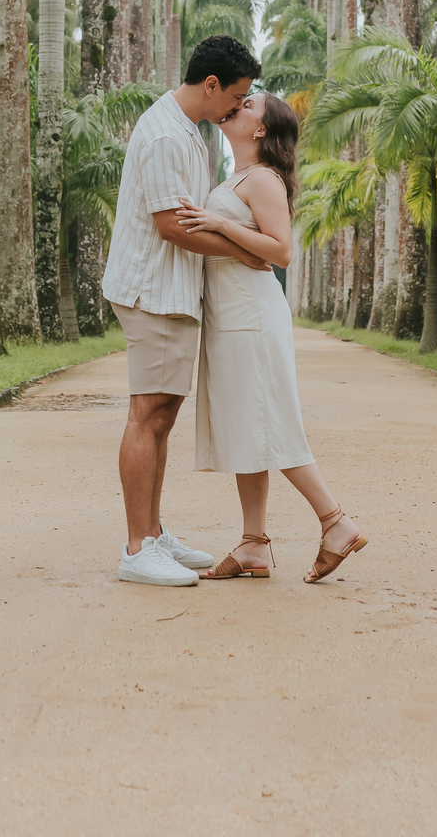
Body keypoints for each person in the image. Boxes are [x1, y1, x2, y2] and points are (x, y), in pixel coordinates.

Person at [177, 90, 368, 585]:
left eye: (250, 105)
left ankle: (335, 522)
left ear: (260, 129)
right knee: (248, 425)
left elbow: (281, 251)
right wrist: (234, 241)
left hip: (251, 317)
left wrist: (218, 223)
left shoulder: (262, 178)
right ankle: (254, 543)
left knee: (271, 422)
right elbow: (252, 248)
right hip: (233, 314)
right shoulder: (237, 176)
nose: (238, 105)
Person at [102, 33, 265, 587]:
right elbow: (172, 226)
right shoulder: (168, 137)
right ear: (211, 84)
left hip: (170, 291)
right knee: (148, 414)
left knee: (162, 414)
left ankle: (153, 534)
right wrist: (246, 251)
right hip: (154, 289)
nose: (239, 109)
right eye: (237, 97)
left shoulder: (187, 131)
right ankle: (136, 547)